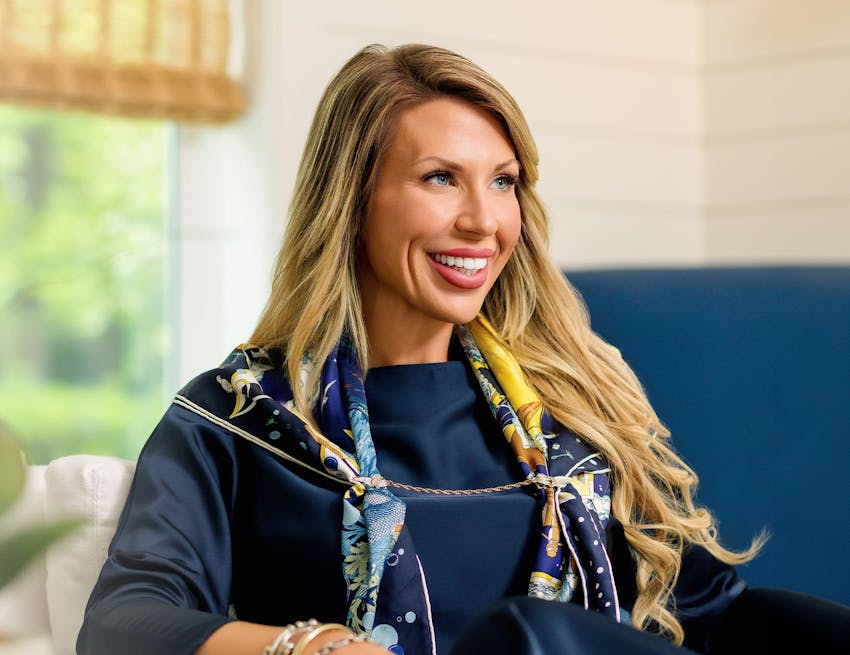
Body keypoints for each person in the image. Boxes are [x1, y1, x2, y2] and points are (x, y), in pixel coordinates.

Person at [77, 44, 850, 655]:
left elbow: (717, 612)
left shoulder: (574, 405)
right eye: (442, 178)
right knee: (526, 638)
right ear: (351, 202)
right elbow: (126, 619)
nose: (484, 221)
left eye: (505, 182)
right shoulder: (239, 420)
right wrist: (305, 646)